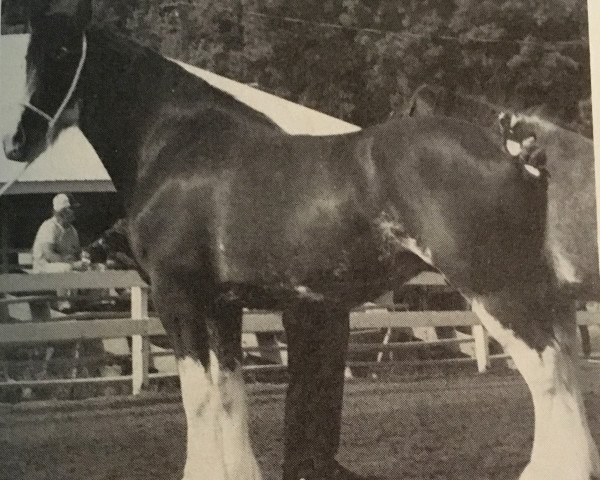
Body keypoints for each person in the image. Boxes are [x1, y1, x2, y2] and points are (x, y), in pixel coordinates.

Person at [32, 193, 83, 273]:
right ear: (63, 211)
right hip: (43, 269)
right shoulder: (48, 226)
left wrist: (83, 260)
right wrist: (72, 264)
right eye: (72, 208)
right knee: (68, 268)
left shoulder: (72, 230)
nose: (75, 211)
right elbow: (49, 255)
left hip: (64, 268)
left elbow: (77, 253)